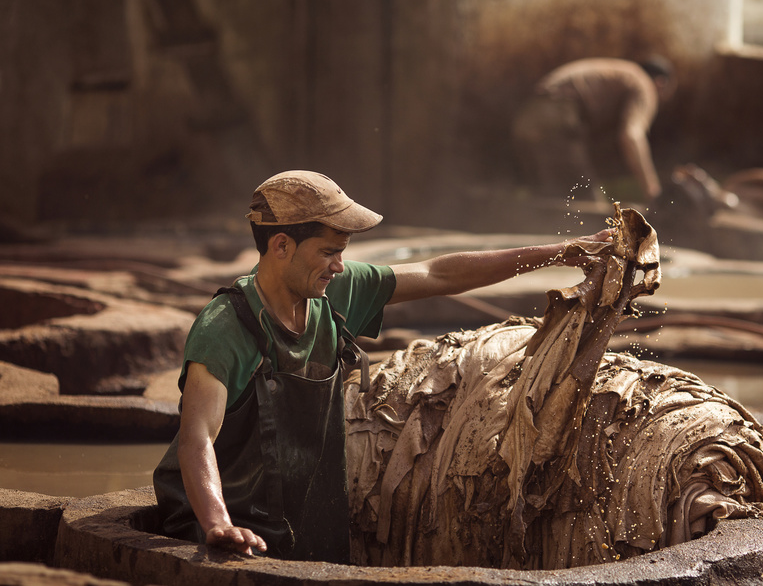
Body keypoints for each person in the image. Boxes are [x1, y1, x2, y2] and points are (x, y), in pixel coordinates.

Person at [153, 169, 609, 562]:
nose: (339, 265)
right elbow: (197, 438)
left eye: (342, 252)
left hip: (292, 508)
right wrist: (218, 524)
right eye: (329, 252)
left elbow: (440, 274)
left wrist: (564, 251)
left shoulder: (334, 292)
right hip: (215, 514)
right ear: (280, 245)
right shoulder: (225, 327)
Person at [512, 56, 676, 204]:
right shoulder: (644, 84)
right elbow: (632, 136)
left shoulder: (622, 72)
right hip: (556, 116)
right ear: (660, 83)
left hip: (527, 118)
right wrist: (653, 191)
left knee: (548, 201)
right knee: (586, 205)